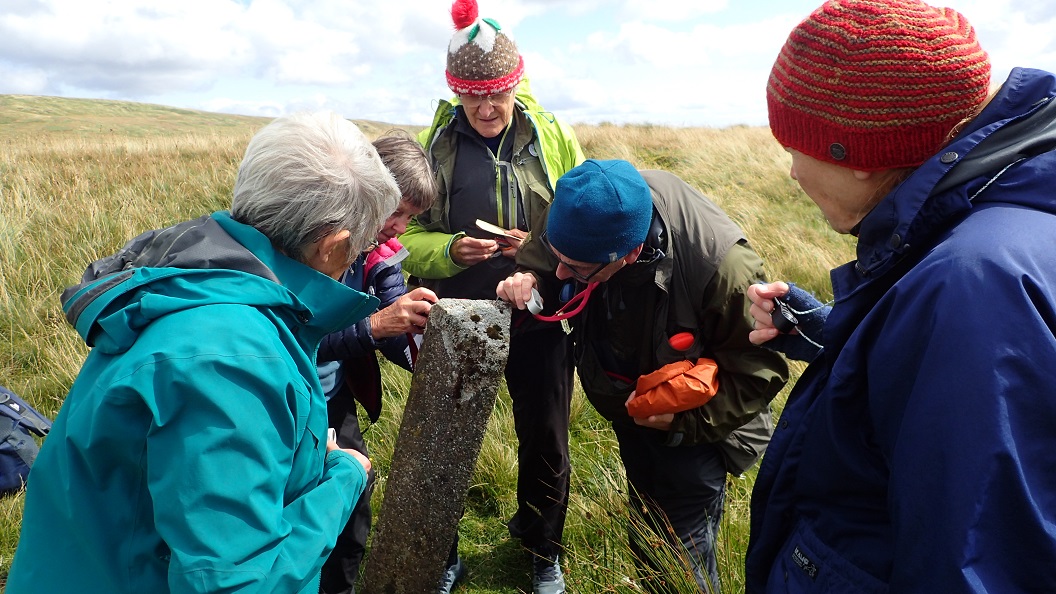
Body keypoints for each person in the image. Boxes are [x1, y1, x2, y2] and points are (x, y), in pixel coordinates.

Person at [5, 111, 401, 594]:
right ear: (333, 247)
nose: (359, 259)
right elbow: (237, 584)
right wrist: (343, 479)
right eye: (361, 247)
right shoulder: (232, 361)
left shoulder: (195, 284)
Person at [744, 1, 1056, 592]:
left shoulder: (973, 289)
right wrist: (841, 333)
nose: (791, 174)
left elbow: (976, 565)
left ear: (855, 156)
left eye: (795, 147)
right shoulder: (998, 224)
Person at [498, 159, 790, 592]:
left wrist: (682, 423)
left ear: (630, 253)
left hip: (701, 429)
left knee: (677, 562)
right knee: (649, 533)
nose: (562, 273)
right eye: (559, 256)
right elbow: (545, 263)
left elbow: (761, 372)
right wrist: (526, 279)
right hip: (632, 409)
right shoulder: (581, 205)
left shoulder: (722, 269)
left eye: (575, 268)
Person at [399, 1, 585, 592]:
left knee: (548, 434)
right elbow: (405, 235)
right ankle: (442, 551)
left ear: (515, 84)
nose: (485, 107)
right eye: (472, 95)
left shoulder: (551, 133)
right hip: (458, 312)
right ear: (456, 92)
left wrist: (540, 255)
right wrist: (450, 250)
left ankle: (542, 549)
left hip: (540, 305)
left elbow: (582, 217)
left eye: (496, 94)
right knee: (442, 432)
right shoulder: (437, 143)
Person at [318, 132, 439, 594]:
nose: (401, 227)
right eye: (398, 211)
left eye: (412, 217)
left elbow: (394, 314)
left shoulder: (378, 255)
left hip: (334, 398)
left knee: (354, 504)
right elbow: (295, 340)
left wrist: (426, 333)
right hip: (283, 398)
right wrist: (374, 327)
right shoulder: (310, 245)